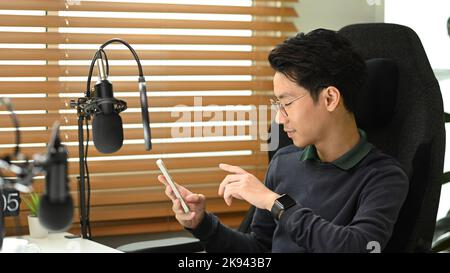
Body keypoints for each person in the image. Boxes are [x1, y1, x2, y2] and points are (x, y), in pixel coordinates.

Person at [158, 29, 409, 253]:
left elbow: (359, 247)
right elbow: (260, 248)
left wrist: (275, 202)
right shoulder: (284, 162)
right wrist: (202, 224)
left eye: (287, 103)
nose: (279, 118)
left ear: (330, 98)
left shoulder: (384, 177)